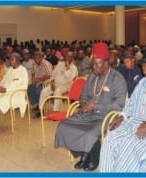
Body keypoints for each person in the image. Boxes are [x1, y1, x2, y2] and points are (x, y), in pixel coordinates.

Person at [54, 42, 127, 171]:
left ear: (106, 62)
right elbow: (83, 96)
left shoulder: (117, 78)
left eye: (97, 64)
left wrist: (96, 106)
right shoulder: (92, 77)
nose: (94, 67)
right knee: (64, 126)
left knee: (89, 133)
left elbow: (119, 105)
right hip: (87, 113)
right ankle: (84, 153)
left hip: (105, 116)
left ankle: (93, 156)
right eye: (93, 63)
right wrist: (84, 105)